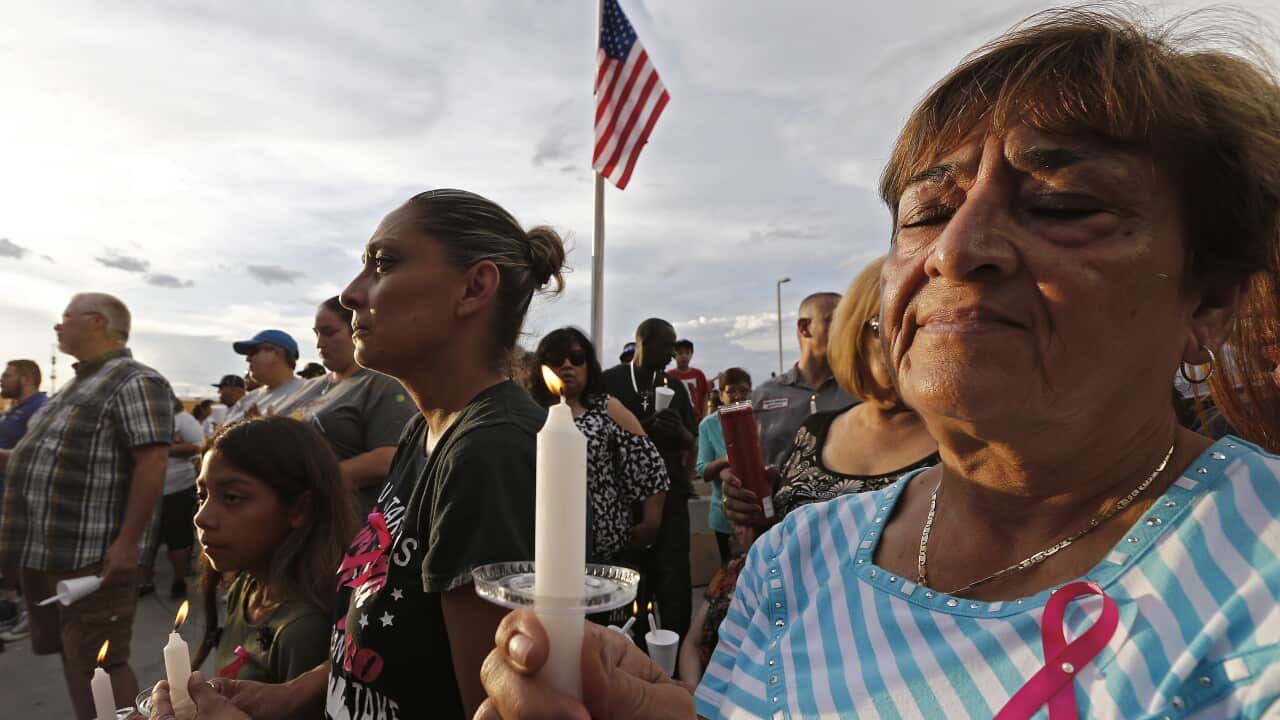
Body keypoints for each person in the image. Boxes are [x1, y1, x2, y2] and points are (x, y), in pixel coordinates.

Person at [475, 9, 1280, 718]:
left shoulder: (1256, 576)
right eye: (928, 212)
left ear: (1210, 296)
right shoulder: (798, 562)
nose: (958, 251)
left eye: (1063, 206)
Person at [202, 189, 566, 720]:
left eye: (383, 263)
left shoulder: (490, 451)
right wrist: (288, 696)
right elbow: (399, 642)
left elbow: (488, 706)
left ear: (474, 287)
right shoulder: (426, 430)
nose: (351, 294)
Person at [0, 293, 172, 718]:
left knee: (102, 660)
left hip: (92, 558)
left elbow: (152, 462)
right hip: (48, 554)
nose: (58, 327)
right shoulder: (73, 388)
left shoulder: (134, 380)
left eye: (66, 318)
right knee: (73, 655)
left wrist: (128, 544)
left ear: (97, 322)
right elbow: (37, 457)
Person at [723, 256, 939, 523]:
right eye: (886, 322)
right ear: (853, 332)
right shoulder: (813, 432)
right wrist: (756, 509)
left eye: (928, 323)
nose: (911, 338)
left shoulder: (965, 446)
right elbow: (781, 531)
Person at [188, 416, 358, 684]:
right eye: (202, 496)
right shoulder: (246, 587)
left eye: (232, 497)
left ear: (299, 509)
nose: (201, 518)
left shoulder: (303, 630)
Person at [528, 327, 668, 565]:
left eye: (576, 358)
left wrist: (650, 522)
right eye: (555, 359)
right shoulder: (530, 414)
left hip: (602, 549)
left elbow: (651, 465)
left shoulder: (606, 408)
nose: (566, 365)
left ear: (588, 364)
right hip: (542, 544)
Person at [603, 318, 698, 648]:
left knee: (674, 584)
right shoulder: (610, 383)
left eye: (675, 347)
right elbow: (599, 440)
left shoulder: (676, 386)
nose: (672, 354)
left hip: (671, 501)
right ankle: (631, 652)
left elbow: (692, 441)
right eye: (666, 346)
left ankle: (676, 654)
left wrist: (679, 432)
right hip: (626, 504)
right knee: (630, 584)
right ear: (642, 342)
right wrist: (645, 426)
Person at [295, 296, 418, 514]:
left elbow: (389, 457)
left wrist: (308, 484)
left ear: (356, 330)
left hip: (344, 521)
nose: (319, 343)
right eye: (316, 333)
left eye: (329, 332)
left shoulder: (382, 382)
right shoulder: (309, 387)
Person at [751, 292, 856, 467]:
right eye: (835, 320)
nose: (845, 329)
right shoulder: (764, 396)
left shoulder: (859, 391)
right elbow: (750, 463)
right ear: (804, 328)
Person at [0, 359, 48, 640]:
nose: (2, 379)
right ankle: (14, 607)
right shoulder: (14, 408)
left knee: (26, 556)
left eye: (8, 375)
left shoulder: (40, 408)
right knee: (9, 556)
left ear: (28, 378)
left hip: (24, 498)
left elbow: (30, 455)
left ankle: (32, 616)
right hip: (6, 494)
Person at [141, 396, 204, 599]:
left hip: (178, 487)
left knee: (177, 536)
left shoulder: (184, 420)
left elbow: (199, 446)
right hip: (147, 489)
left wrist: (162, 449)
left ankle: (179, 580)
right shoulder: (146, 420)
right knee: (146, 539)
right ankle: (145, 581)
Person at [694, 368, 752, 564]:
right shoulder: (708, 425)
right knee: (729, 571)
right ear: (720, 394)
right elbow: (703, 469)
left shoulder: (757, 419)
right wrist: (727, 459)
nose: (737, 397)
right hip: (724, 512)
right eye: (731, 391)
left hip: (756, 510)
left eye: (743, 391)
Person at [223, 330, 306, 423]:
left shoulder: (307, 392)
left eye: (253, 352)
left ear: (276, 353)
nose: (247, 359)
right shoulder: (246, 400)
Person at [668, 339, 710, 422]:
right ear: (674, 355)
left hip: (697, 419)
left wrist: (704, 416)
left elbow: (705, 395)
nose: (684, 356)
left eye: (687, 353)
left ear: (691, 354)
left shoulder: (698, 374)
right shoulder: (670, 375)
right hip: (678, 420)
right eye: (680, 353)